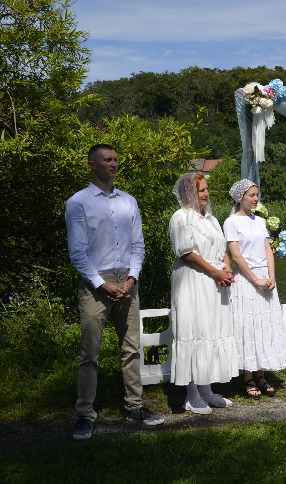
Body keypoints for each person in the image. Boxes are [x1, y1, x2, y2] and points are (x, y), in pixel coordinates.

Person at [65, 144, 164, 440]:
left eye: (116, 160)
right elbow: (77, 252)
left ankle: (134, 407)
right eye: (107, 160)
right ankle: (85, 415)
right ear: (91, 165)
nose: (114, 164)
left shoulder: (128, 202)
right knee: (89, 354)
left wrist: (131, 280)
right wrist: (101, 284)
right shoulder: (78, 202)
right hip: (97, 284)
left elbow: (138, 245)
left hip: (127, 283)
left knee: (131, 349)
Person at [169, 173, 238, 414]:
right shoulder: (181, 218)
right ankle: (191, 395)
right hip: (193, 281)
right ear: (189, 193)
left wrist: (227, 269)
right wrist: (215, 272)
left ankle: (206, 390)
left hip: (213, 283)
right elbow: (186, 253)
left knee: (210, 331)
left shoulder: (211, 219)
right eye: (201, 191)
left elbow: (221, 248)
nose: (207, 194)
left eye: (207, 189)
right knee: (193, 330)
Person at [224, 179, 286, 399]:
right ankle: (247, 378)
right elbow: (236, 256)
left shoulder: (260, 221)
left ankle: (261, 374)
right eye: (252, 195)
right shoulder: (231, 222)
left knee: (264, 326)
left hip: (264, 277)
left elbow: (267, 250)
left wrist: (271, 276)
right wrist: (255, 280)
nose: (256, 199)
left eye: (257, 195)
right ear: (240, 197)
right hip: (246, 280)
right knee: (248, 327)